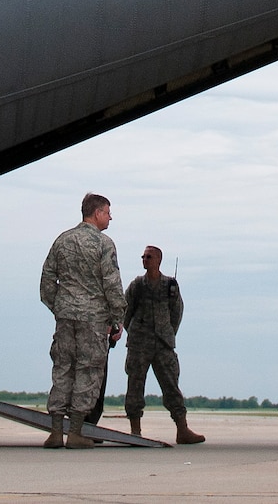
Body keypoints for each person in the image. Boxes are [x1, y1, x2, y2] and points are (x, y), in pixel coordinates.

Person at [38, 192, 126, 449]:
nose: (110, 217)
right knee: (88, 371)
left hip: (65, 318)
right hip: (93, 320)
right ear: (97, 213)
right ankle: (75, 431)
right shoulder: (104, 244)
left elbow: (46, 280)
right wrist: (117, 318)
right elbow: (112, 284)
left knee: (63, 369)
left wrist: (60, 306)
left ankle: (55, 431)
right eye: (108, 212)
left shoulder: (62, 240)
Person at [120, 244, 204, 444]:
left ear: (158, 260)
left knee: (171, 385)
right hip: (139, 343)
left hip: (163, 344)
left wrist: (168, 333)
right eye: (143, 257)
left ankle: (182, 429)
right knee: (135, 386)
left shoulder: (170, 286)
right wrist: (133, 331)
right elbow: (125, 311)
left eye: (149, 257)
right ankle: (135, 431)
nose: (145, 260)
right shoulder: (137, 285)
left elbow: (177, 313)